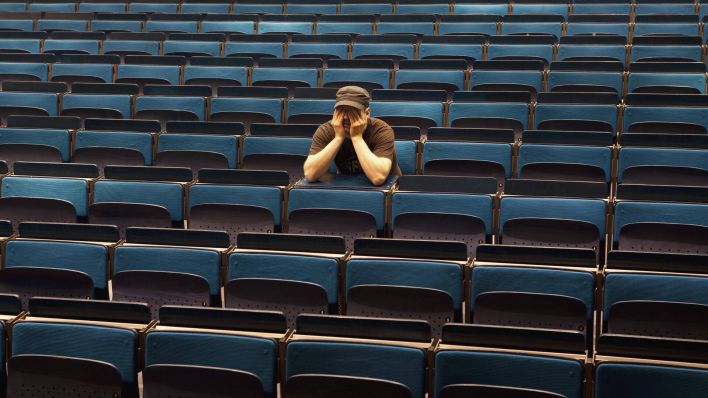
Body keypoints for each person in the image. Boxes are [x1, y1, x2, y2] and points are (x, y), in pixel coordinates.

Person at [303, 86, 401, 186]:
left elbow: (378, 178)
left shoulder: (381, 130)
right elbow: (310, 174)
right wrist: (338, 138)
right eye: (341, 111)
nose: (345, 117)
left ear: (367, 113)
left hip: (387, 190)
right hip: (349, 187)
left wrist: (357, 137)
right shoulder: (326, 130)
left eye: (353, 111)